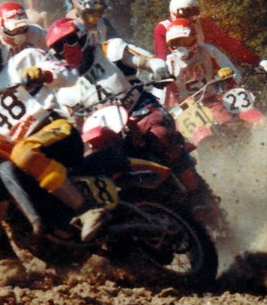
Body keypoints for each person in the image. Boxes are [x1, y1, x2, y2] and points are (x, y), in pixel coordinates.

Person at [0, 23, 110, 242]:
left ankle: (87, 209)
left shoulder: (24, 60)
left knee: (23, 151)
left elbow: (70, 75)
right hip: (25, 157)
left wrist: (44, 74)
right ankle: (22, 236)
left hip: (57, 131)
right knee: (0, 167)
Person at [48, 18, 218, 211]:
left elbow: (143, 60)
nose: (67, 48)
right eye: (58, 46)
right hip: (108, 133)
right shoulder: (63, 90)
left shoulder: (109, 50)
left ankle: (197, 194)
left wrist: (157, 67)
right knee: (95, 169)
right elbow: (75, 124)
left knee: (160, 136)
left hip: (140, 110)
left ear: (82, 36)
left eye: (70, 40)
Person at [162, 18, 265, 143]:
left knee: (230, 123)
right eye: (176, 43)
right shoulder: (169, 64)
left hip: (210, 100)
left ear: (194, 38)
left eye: (186, 41)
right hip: (185, 110)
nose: (181, 48)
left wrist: (226, 73)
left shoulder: (207, 51)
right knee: (199, 136)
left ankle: (245, 149)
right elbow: (165, 97)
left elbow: (230, 69)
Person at [153, 0, 267, 73]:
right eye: (186, 14)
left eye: (194, 12)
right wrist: (162, 71)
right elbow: (162, 56)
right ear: (174, 13)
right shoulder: (163, 28)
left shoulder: (203, 23)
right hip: (179, 77)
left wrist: (256, 60)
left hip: (207, 74)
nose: (191, 18)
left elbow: (227, 42)